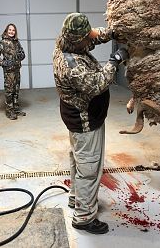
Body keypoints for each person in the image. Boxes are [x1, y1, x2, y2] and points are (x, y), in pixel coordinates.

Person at [53, 13, 129, 234]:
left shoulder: (67, 40)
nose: (91, 40)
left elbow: (93, 36)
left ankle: (77, 198)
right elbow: (98, 84)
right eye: (86, 38)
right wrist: (115, 59)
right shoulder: (71, 64)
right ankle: (84, 218)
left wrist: (114, 32)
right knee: (89, 167)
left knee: (79, 160)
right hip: (84, 121)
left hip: (77, 117)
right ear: (78, 40)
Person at [0, 23, 26, 120]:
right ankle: (9, 111)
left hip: (17, 70)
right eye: (10, 30)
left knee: (16, 89)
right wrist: (3, 63)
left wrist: (21, 56)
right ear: (6, 31)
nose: (11, 32)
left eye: (13, 30)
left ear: (15, 32)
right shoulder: (3, 42)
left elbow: (22, 53)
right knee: (9, 91)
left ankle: (15, 109)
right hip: (9, 71)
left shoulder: (16, 42)